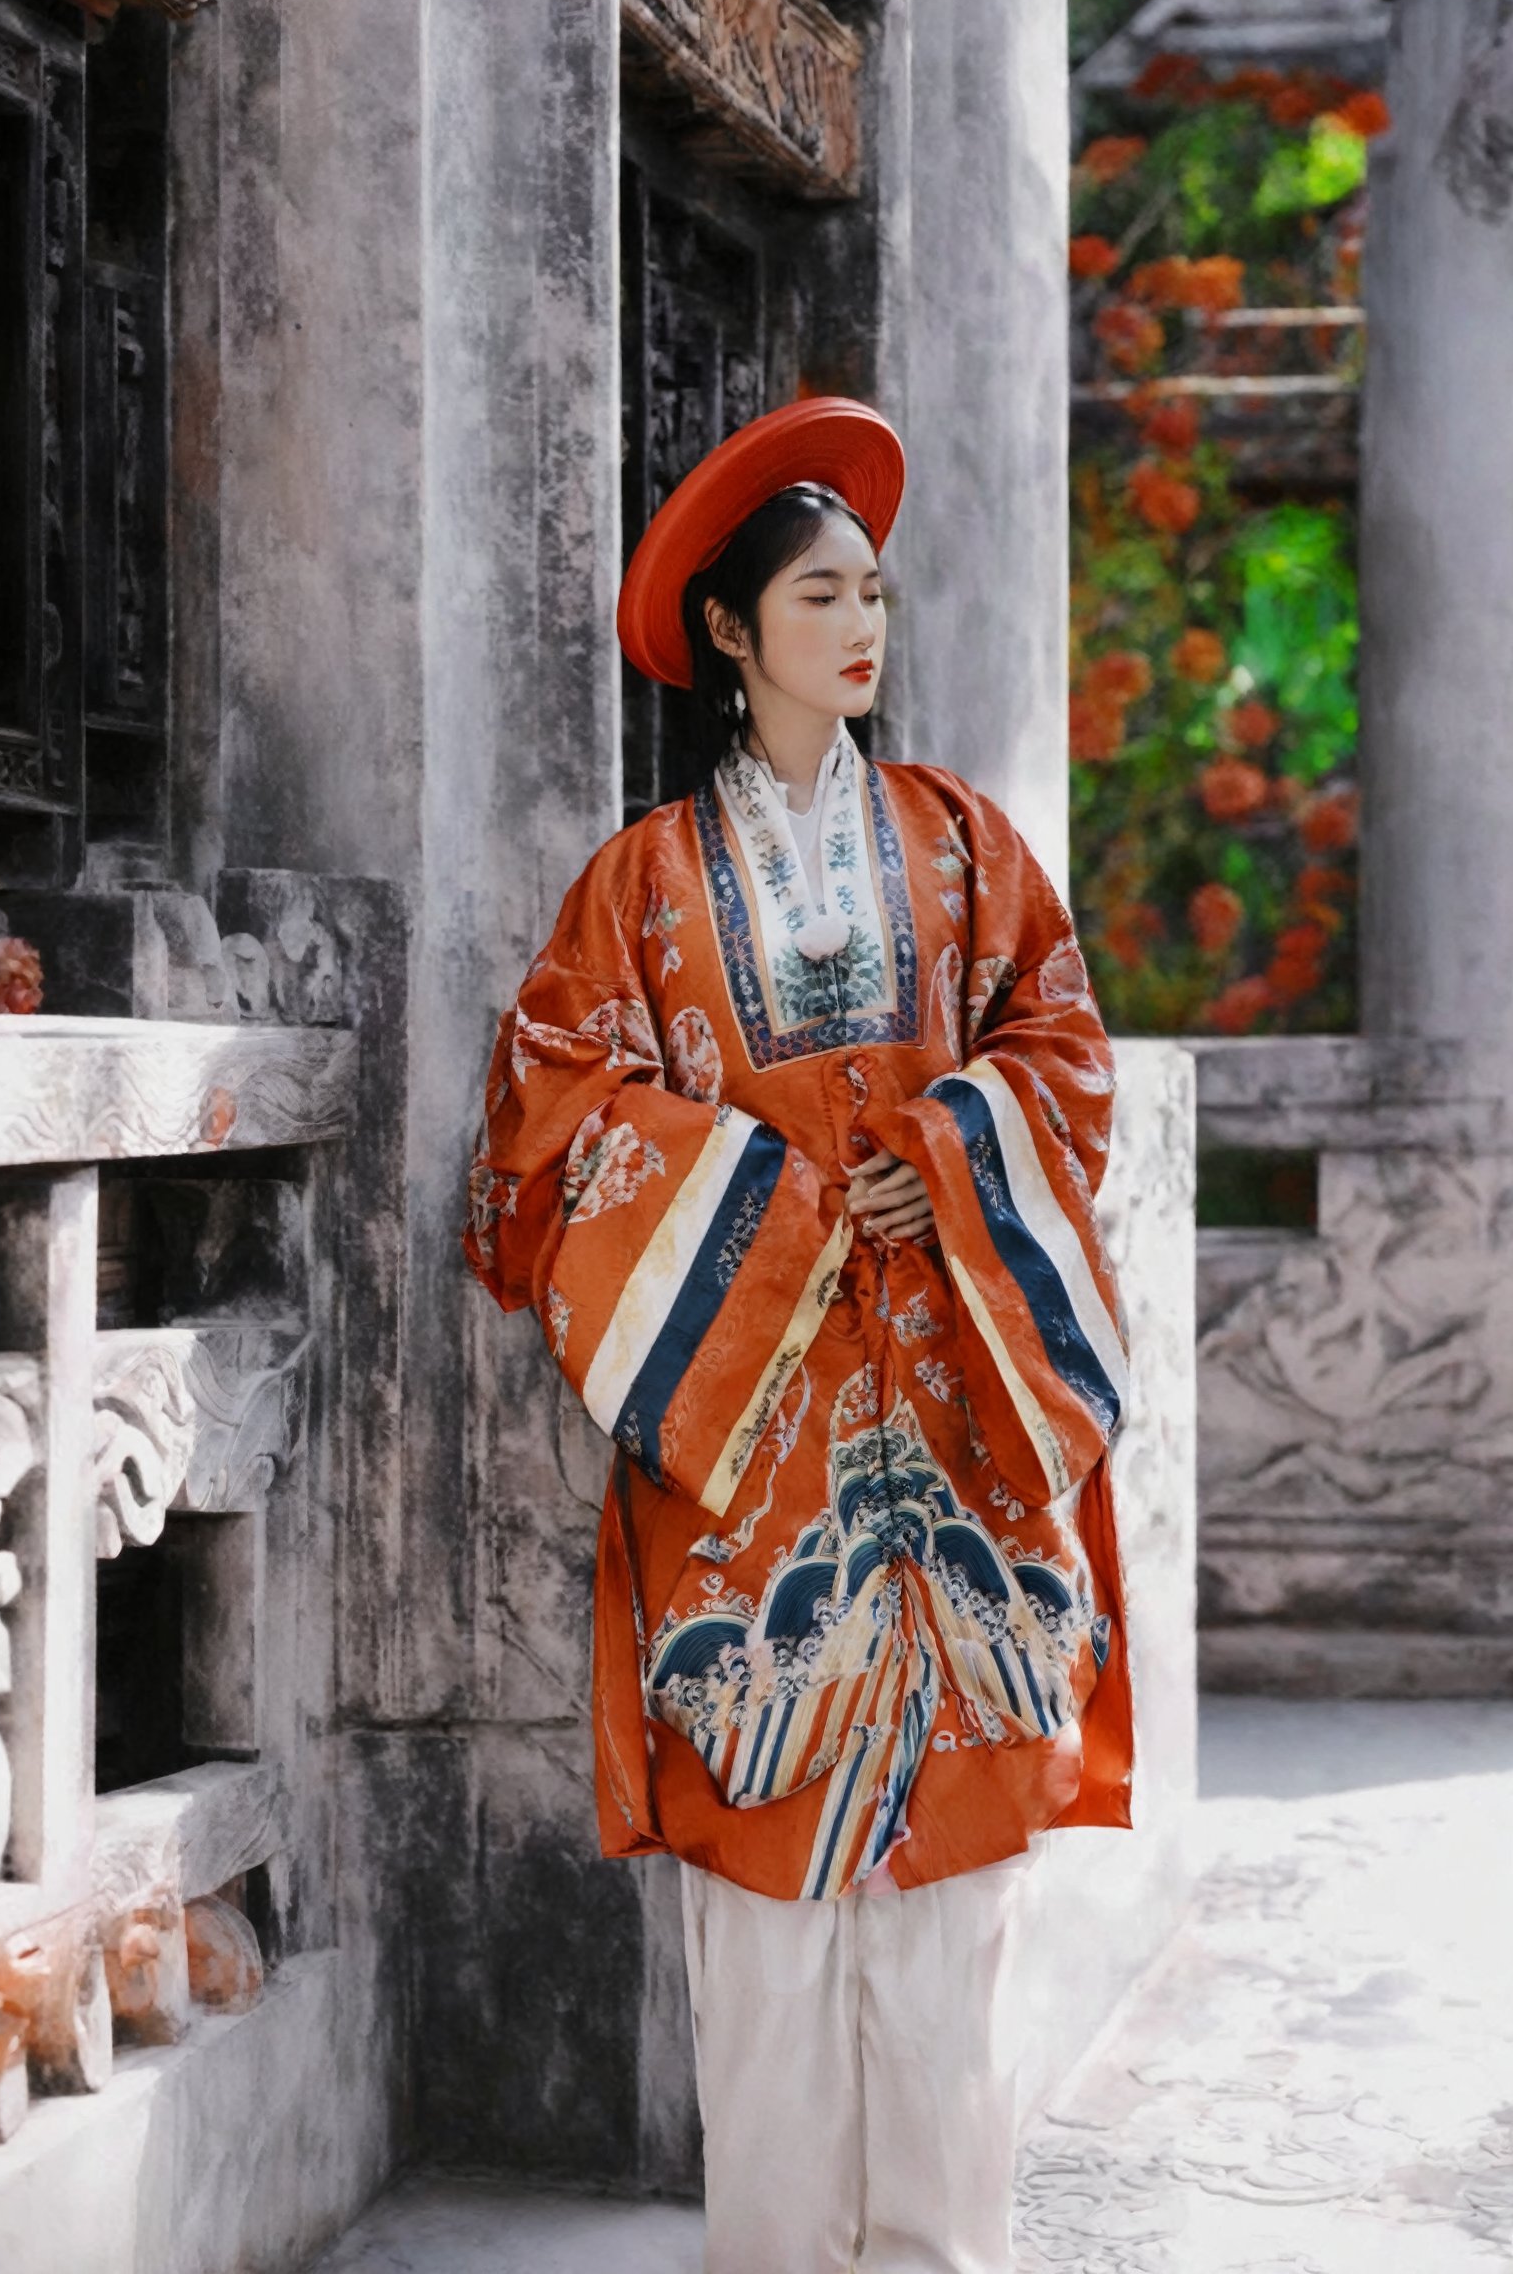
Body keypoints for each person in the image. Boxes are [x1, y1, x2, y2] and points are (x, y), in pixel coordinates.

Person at [464, 397, 1133, 2274]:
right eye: (822, 596)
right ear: (733, 636)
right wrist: (756, 1210)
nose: (864, 627)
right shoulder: (641, 887)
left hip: (955, 1441)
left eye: (878, 597)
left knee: (951, 1923)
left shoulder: (964, 848)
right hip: (751, 1455)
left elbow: (1061, 1054)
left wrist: (951, 1151)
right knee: (765, 1924)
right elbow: (544, 1117)